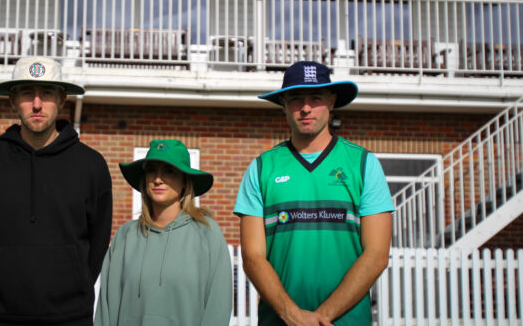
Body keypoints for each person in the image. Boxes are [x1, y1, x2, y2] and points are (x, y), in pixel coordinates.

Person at [234, 61, 394, 326]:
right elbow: (252, 257)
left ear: (331, 102)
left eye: (315, 98)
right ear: (284, 103)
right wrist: (293, 316)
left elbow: (377, 254)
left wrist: (321, 317)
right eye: (296, 99)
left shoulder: (364, 164)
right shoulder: (261, 168)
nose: (305, 108)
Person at [0, 57, 112, 326]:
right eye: (28, 93)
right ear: (12, 100)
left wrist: (76, 284)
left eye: (48, 93)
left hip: (71, 318)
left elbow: (98, 242)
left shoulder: (91, 165)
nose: (38, 104)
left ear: (62, 99)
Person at [95, 139, 232, 326]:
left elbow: (218, 307)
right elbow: (107, 309)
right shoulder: (125, 236)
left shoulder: (207, 233)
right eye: (152, 170)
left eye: (169, 171)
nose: (158, 179)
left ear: (185, 180)